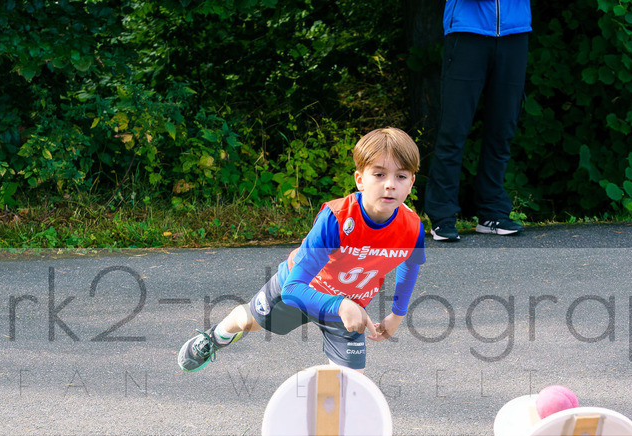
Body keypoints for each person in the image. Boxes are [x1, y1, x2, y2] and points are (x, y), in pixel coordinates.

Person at [178, 127, 426, 375]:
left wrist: (397, 314)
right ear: (360, 179)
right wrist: (340, 305)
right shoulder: (336, 220)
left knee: (350, 383)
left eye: (401, 176)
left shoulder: (412, 227)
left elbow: (409, 264)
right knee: (246, 321)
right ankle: (216, 337)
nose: (391, 185)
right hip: (302, 290)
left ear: (411, 182)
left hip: (348, 306)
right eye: (379, 174)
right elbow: (293, 289)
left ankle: (321, 415)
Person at [426, 0, 531, 242]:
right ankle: (442, 217)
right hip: (467, 32)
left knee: (502, 129)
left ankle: (492, 214)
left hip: (515, 33)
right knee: (454, 130)